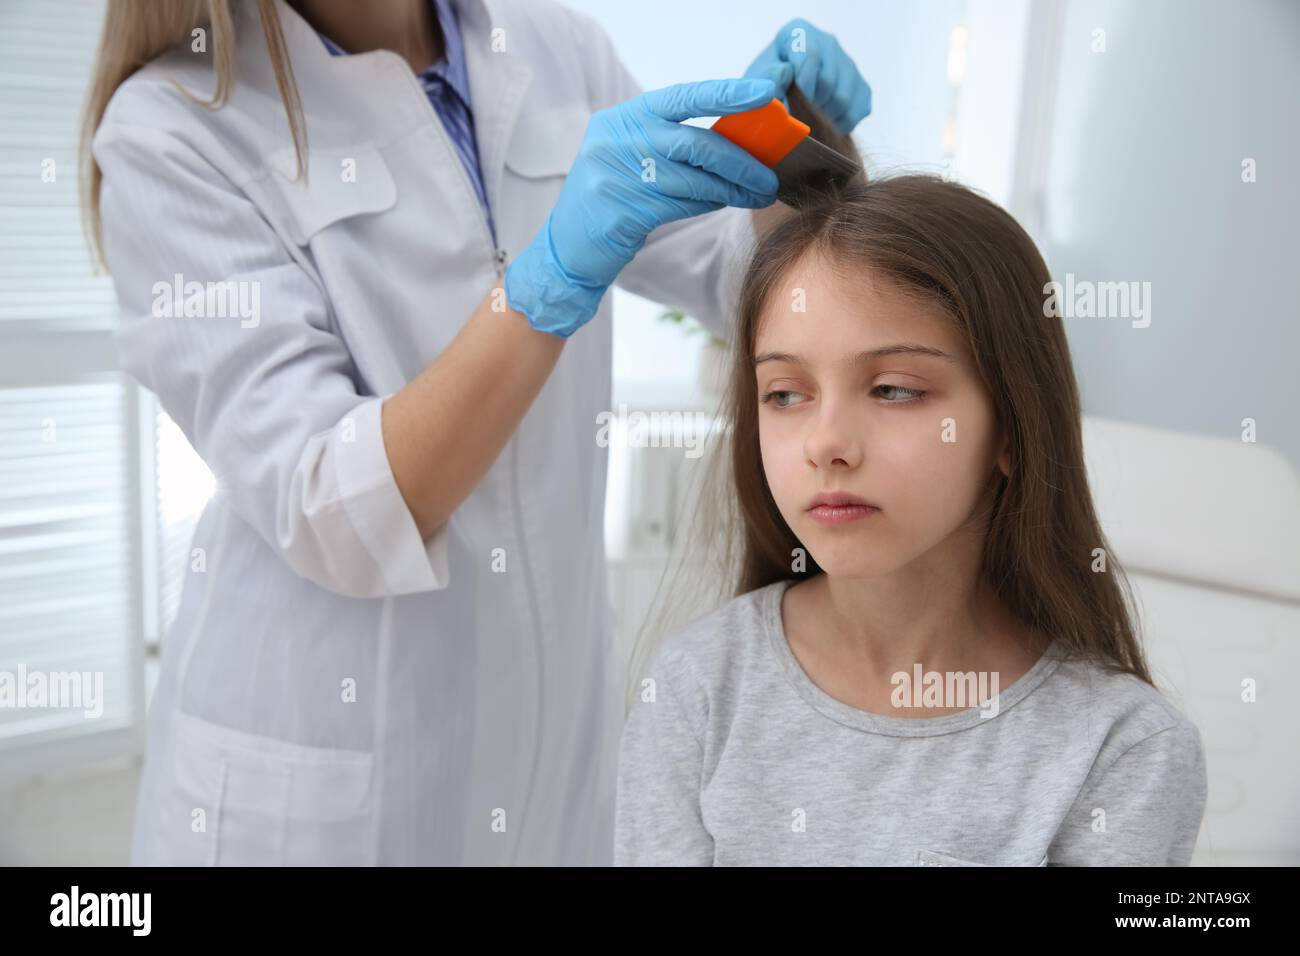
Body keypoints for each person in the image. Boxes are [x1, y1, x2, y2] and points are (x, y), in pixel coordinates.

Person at [79, 0, 872, 865]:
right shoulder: (173, 127)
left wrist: (790, 151)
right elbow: (332, 508)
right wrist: (549, 278)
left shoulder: (554, 48)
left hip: (548, 735)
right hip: (323, 769)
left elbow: (742, 280)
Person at [613, 101, 1209, 866]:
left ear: (1011, 429)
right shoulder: (698, 689)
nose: (826, 443)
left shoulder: (1123, 752)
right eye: (785, 394)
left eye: (894, 389)